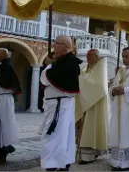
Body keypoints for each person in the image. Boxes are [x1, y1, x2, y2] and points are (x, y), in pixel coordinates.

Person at [40, 35, 82, 171]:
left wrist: (49, 65)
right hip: (59, 104)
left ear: (64, 46)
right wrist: (53, 63)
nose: (53, 46)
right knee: (62, 135)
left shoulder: (69, 62)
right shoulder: (64, 60)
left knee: (54, 134)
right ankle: (62, 162)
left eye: (56, 43)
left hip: (59, 105)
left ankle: (52, 164)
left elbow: (47, 78)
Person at [75, 49, 109, 164]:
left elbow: (99, 86)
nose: (87, 58)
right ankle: (84, 154)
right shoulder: (87, 68)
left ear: (96, 56)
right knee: (85, 129)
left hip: (94, 104)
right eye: (87, 56)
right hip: (86, 102)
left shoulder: (100, 68)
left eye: (89, 56)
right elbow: (84, 79)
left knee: (92, 127)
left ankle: (89, 156)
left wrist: (81, 78)